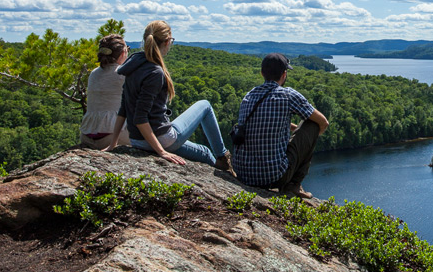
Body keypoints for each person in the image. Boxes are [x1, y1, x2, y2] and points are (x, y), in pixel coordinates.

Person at [104, 20, 233, 172]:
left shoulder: (133, 65)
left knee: (204, 152)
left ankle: (222, 163)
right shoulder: (155, 72)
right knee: (205, 105)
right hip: (161, 138)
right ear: (166, 42)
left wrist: (113, 143)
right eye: (171, 41)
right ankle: (223, 156)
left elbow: (124, 109)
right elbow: (140, 118)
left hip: (137, 140)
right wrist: (161, 152)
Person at [232, 53, 329, 198]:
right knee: (312, 125)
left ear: (262, 73)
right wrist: (306, 140)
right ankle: (293, 185)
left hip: (243, 174)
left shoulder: (249, 95)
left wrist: (294, 129)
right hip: (273, 177)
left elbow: (265, 120)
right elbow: (323, 122)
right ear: (284, 74)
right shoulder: (288, 95)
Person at [78, 34, 131, 149]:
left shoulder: (93, 74)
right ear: (123, 53)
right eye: (128, 49)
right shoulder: (123, 74)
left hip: (87, 135)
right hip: (114, 135)